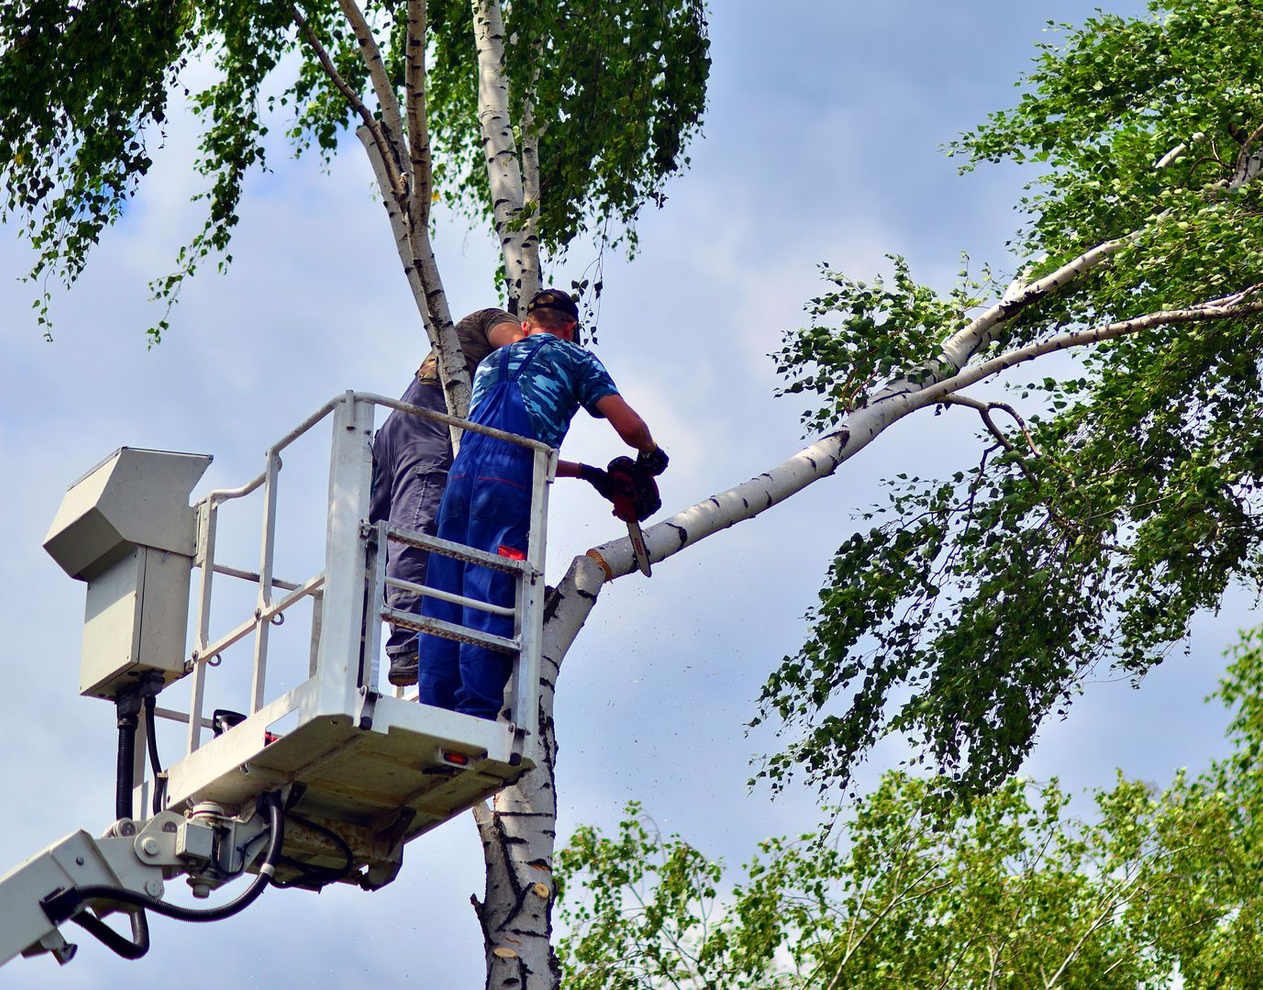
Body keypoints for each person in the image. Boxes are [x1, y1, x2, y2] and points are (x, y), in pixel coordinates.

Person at [417, 288, 668, 720]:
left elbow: (515, 440)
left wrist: (591, 474)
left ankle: (434, 709)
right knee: (491, 584)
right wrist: (650, 455)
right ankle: (475, 711)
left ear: (526, 325)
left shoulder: (494, 362)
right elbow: (629, 426)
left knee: (447, 584)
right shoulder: (576, 358)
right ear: (571, 329)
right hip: (508, 481)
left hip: (463, 477)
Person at [370, 308, 525, 687]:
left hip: (399, 425)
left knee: (371, 544)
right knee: (414, 531)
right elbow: (521, 349)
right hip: (429, 427)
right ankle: (408, 646)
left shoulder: (462, 341)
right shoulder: (497, 320)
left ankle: (353, 654)